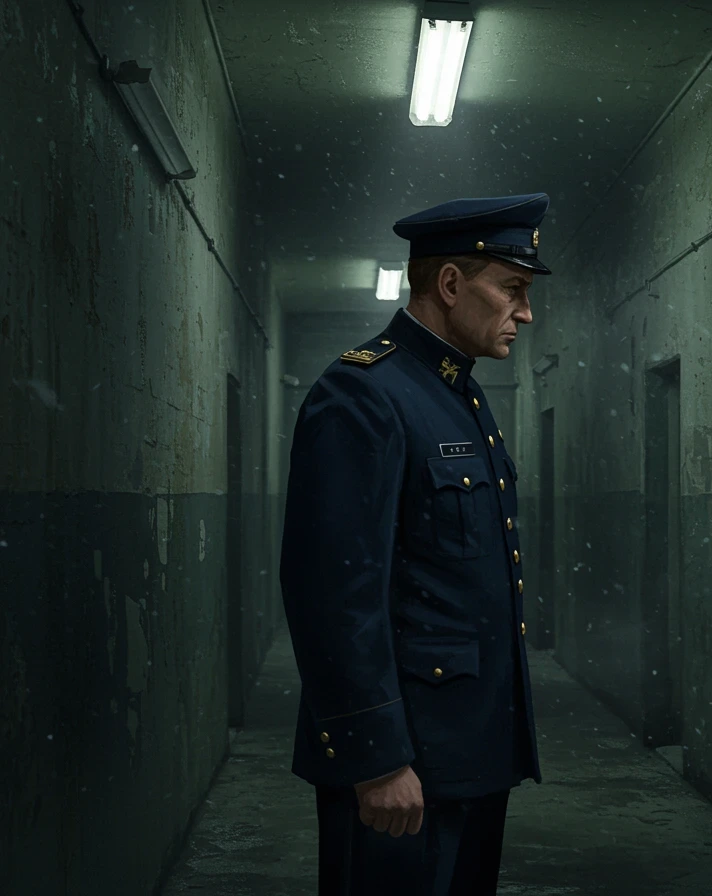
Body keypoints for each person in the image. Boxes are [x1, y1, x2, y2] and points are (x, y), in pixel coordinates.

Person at [278, 193, 552, 894]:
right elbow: (332, 595)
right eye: (513, 289)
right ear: (451, 284)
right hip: (403, 764)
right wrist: (376, 758)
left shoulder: (457, 393)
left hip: (468, 750)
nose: (525, 313)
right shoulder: (363, 394)